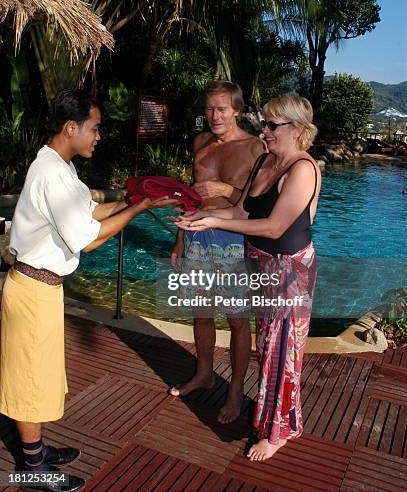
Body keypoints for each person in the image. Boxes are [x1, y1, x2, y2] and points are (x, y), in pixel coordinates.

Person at [0, 89, 177, 491]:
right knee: (29, 380)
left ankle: (37, 452)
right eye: (94, 128)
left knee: (39, 374)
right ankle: (32, 470)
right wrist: (139, 210)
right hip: (32, 290)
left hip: (41, 289)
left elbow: (92, 214)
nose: (98, 136)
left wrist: (136, 198)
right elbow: (88, 239)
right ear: (70, 127)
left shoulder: (60, 167)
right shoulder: (51, 173)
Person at [175, 92, 321, 460]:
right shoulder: (267, 163)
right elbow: (240, 209)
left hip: (289, 271)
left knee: (283, 350)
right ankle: (276, 417)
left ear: (298, 129)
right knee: (267, 348)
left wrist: (212, 218)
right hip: (260, 264)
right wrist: (199, 220)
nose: (265, 131)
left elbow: (274, 227)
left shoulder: (303, 168)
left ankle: (279, 432)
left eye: (273, 125)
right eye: (264, 123)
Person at [170, 80, 265, 424]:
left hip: (233, 240)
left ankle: (235, 391)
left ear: (237, 110)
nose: (214, 115)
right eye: (210, 108)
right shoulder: (200, 143)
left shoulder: (255, 148)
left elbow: (260, 203)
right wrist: (180, 239)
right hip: (197, 236)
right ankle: (204, 373)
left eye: (222, 108)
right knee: (201, 311)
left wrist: (227, 188)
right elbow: (191, 198)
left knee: (239, 321)